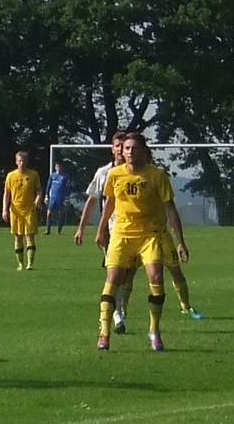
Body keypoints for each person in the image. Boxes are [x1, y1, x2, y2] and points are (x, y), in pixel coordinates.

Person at [94, 133, 190, 352]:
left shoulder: (157, 176)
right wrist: (101, 230)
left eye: (134, 148)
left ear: (144, 151)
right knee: (113, 278)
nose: (129, 152)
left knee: (156, 277)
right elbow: (110, 203)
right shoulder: (114, 174)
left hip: (150, 235)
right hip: (122, 234)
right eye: (126, 148)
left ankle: (154, 330)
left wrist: (180, 241)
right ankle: (104, 332)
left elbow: (170, 208)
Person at [75, 131, 128, 331]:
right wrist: (82, 228)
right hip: (113, 229)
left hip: (136, 230)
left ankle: (119, 307)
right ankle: (115, 313)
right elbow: (92, 200)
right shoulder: (104, 173)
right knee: (115, 271)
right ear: (112, 149)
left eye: (124, 146)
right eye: (118, 146)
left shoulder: (139, 172)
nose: (121, 150)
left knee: (128, 275)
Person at [2, 152, 43, 270]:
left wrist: (38, 198)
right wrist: (4, 209)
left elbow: (39, 190)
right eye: (20, 161)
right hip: (16, 210)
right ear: (16, 162)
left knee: (29, 236)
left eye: (24, 161)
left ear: (27, 161)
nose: (22, 163)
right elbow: (7, 193)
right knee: (18, 236)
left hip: (29, 209)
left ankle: (30, 263)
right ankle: (20, 264)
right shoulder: (11, 176)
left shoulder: (33, 174)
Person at [44, 162, 71, 235]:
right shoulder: (52, 176)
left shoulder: (65, 176)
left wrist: (67, 197)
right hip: (53, 198)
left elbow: (68, 187)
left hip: (61, 198)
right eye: (57, 166)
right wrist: (46, 195)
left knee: (61, 214)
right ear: (55, 167)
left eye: (60, 167)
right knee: (49, 213)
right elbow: (48, 185)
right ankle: (48, 230)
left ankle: (59, 230)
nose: (59, 168)